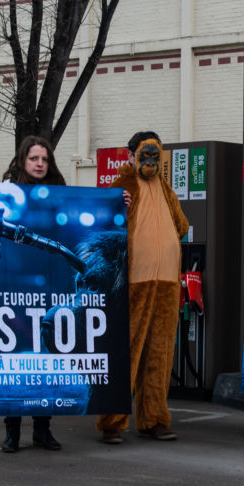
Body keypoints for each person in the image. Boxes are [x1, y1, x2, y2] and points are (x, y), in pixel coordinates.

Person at [0, 135, 66, 453]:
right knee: (13, 357)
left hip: (47, 284)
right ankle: (12, 430)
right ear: (23, 160)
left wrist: (118, 203)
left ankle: (43, 428)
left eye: (45, 159)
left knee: (47, 356)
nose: (39, 164)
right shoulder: (3, 195)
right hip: (10, 287)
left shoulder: (58, 195)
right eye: (34, 158)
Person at [97, 131, 188, 444]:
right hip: (134, 281)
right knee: (127, 351)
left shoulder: (165, 188)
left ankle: (154, 419)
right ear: (130, 155)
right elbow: (105, 225)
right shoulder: (123, 186)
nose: (149, 161)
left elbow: (182, 225)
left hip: (167, 282)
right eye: (144, 154)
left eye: (155, 155)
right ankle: (112, 421)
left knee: (159, 354)